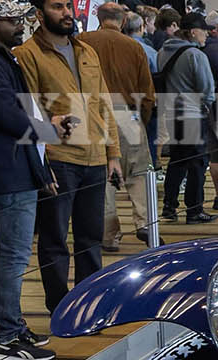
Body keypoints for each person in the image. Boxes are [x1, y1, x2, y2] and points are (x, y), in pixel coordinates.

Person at [0, 0, 64, 360]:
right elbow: (7, 114)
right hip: (8, 169)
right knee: (14, 254)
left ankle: (14, 326)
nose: (21, 24)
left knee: (14, 253)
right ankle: (6, 337)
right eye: (13, 19)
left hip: (12, 166)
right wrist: (50, 131)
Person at [16, 0, 124, 314]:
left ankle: (88, 305)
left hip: (95, 159)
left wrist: (113, 154)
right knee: (55, 239)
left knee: (91, 238)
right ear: (40, 15)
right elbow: (28, 113)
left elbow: (103, 105)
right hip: (58, 159)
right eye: (57, 6)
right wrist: (42, 163)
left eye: (68, 6)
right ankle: (60, 307)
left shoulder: (87, 52)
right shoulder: (27, 55)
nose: (66, 12)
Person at [78, 1, 154, 251]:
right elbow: (147, 92)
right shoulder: (134, 47)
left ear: (98, 18)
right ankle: (145, 222)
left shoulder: (82, 42)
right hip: (127, 114)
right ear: (123, 22)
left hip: (93, 115)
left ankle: (109, 235)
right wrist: (141, 120)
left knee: (103, 178)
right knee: (138, 173)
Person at [158, 10, 214, 223]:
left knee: (177, 160)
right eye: (204, 30)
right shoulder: (196, 55)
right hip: (193, 115)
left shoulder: (163, 52)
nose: (207, 34)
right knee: (198, 163)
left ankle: (169, 206)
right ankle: (194, 210)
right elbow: (207, 90)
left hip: (172, 114)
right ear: (192, 32)